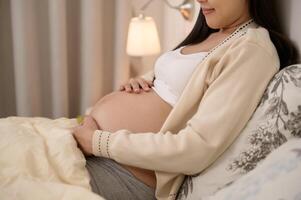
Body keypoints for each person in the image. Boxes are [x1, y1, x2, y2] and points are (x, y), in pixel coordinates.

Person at [72, 0, 299, 199]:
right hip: (99, 149)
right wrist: (139, 83)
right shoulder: (211, 35)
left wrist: (98, 141)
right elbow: (171, 87)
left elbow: (196, 148)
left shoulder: (251, 49)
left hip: (124, 173)